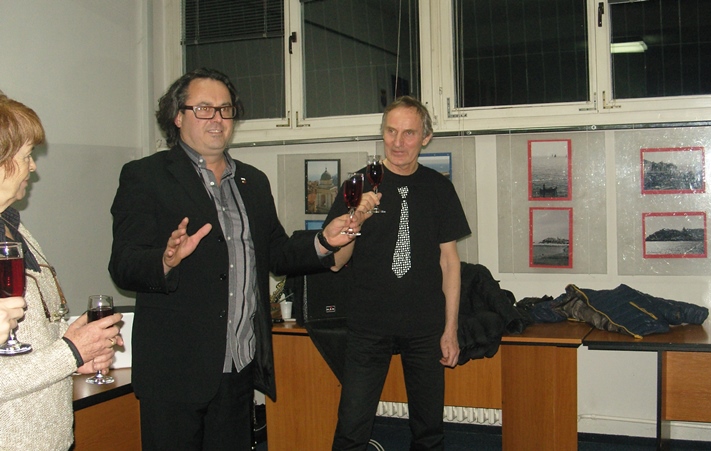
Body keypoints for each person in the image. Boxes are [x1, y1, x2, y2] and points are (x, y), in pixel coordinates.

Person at [108, 68, 376, 450]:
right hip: (175, 374)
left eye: (225, 109)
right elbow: (123, 263)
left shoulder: (253, 181)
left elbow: (277, 253)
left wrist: (324, 241)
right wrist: (165, 260)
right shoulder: (146, 176)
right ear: (178, 116)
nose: (217, 119)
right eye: (204, 108)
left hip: (238, 367)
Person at [325, 96, 471, 450]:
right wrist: (356, 219)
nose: (398, 142)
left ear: (426, 137)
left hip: (424, 326)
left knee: (429, 431)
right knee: (351, 429)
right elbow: (336, 262)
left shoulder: (439, 188)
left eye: (409, 133)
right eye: (391, 131)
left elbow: (450, 262)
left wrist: (450, 329)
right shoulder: (358, 185)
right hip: (368, 325)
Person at [0, 94, 123, 450]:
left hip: (52, 438)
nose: (32, 167)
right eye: (26, 156)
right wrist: (70, 352)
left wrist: (76, 346)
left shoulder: (17, 229)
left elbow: (32, 339)